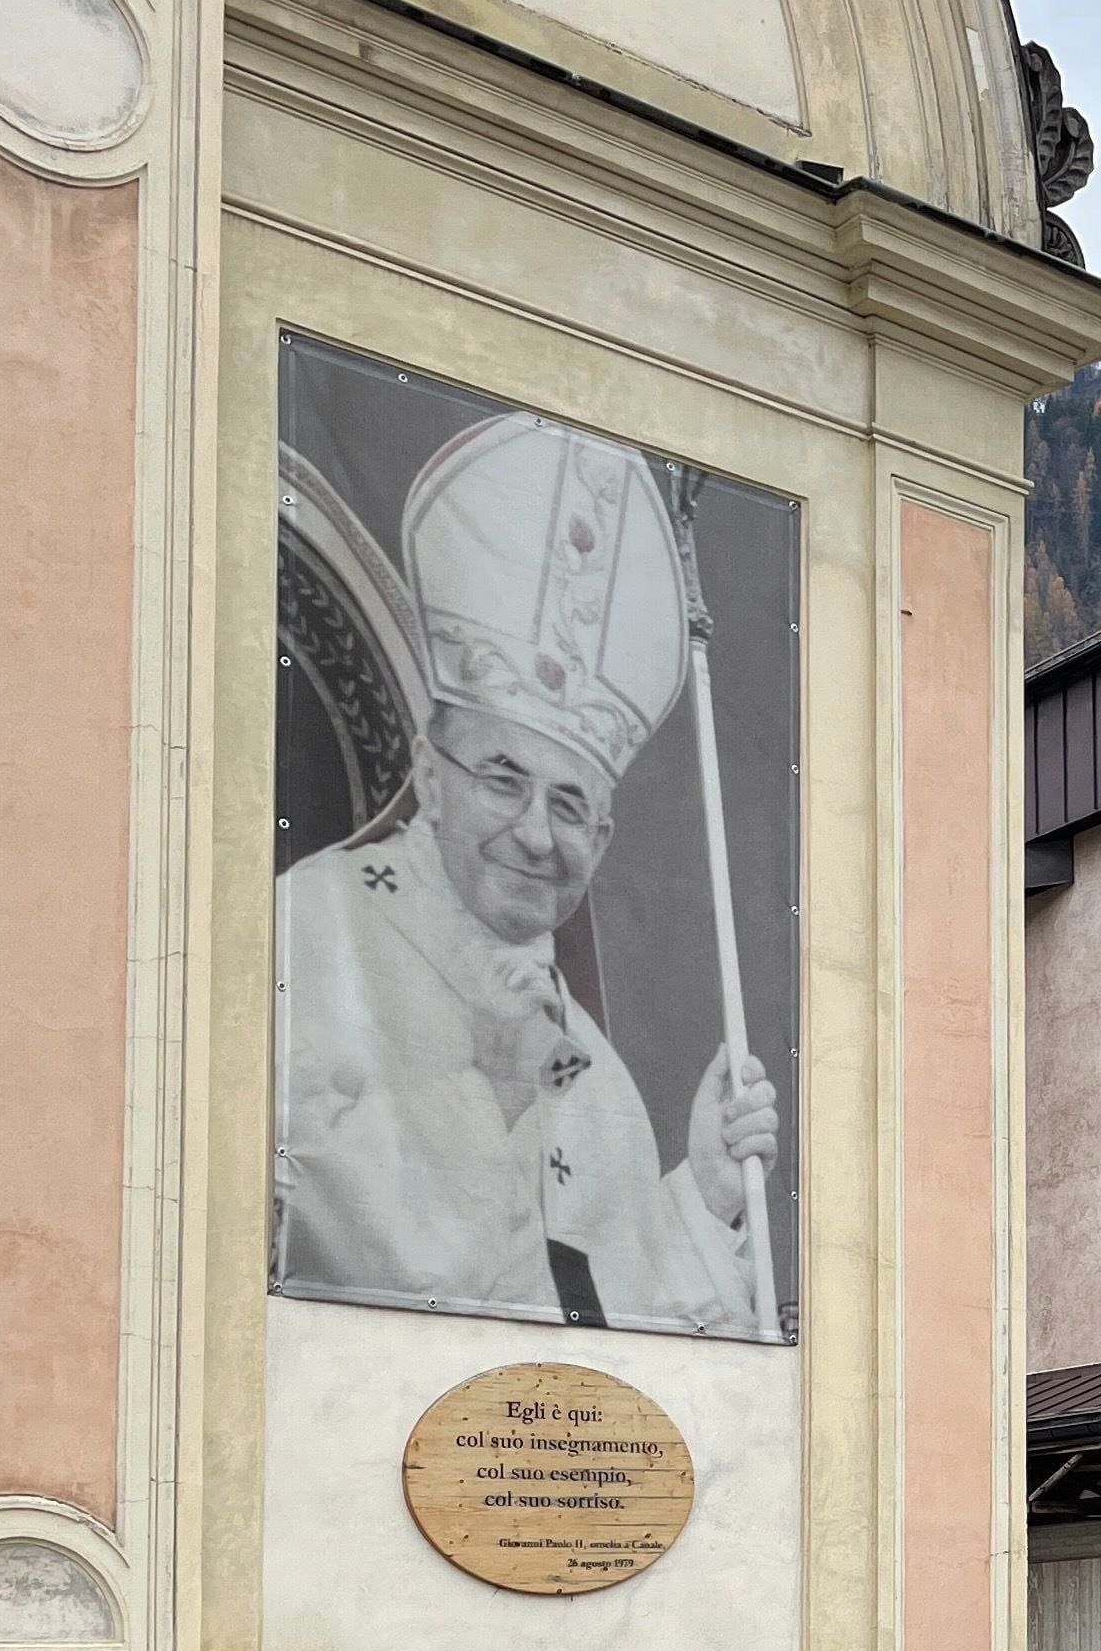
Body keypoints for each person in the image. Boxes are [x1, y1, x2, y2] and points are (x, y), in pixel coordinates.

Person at [277, 409, 780, 1337]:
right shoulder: (315, 923)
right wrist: (492, 1092)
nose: (538, 835)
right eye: (503, 779)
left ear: (605, 833)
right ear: (431, 773)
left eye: (571, 804)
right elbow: (311, 1238)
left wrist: (706, 1196)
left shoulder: (595, 1069)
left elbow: (604, 1316)